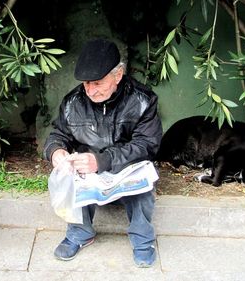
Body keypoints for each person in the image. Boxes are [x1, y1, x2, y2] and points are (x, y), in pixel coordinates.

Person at [43, 38, 162, 267]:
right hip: (90, 171)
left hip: (123, 169)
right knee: (72, 174)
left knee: (143, 184)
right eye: (86, 83)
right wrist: (55, 151)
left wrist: (103, 160)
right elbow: (58, 134)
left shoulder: (142, 100)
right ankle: (80, 233)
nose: (90, 90)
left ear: (117, 75)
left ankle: (142, 239)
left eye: (97, 83)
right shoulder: (72, 102)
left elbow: (147, 145)